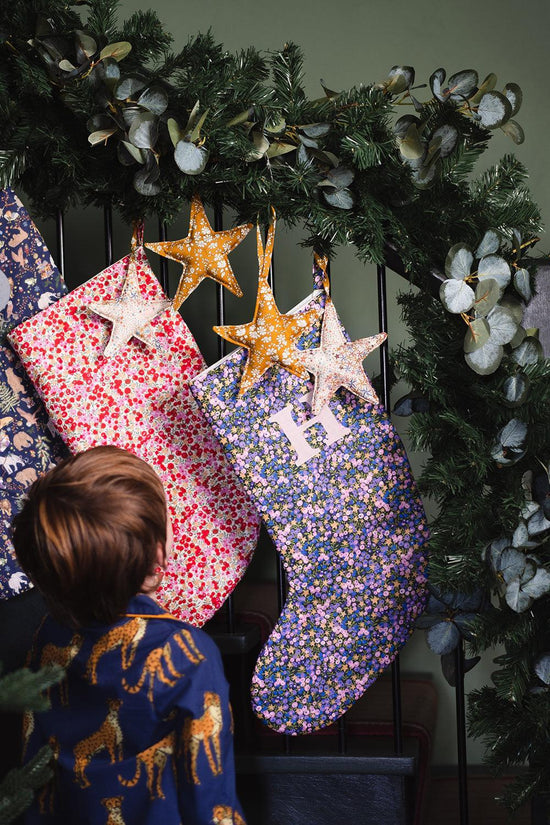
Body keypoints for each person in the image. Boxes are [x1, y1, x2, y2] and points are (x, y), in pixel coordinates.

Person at [13, 445, 246, 825]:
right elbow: (212, 800)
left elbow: (33, 768)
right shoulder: (186, 652)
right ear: (158, 548)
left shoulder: (48, 637)